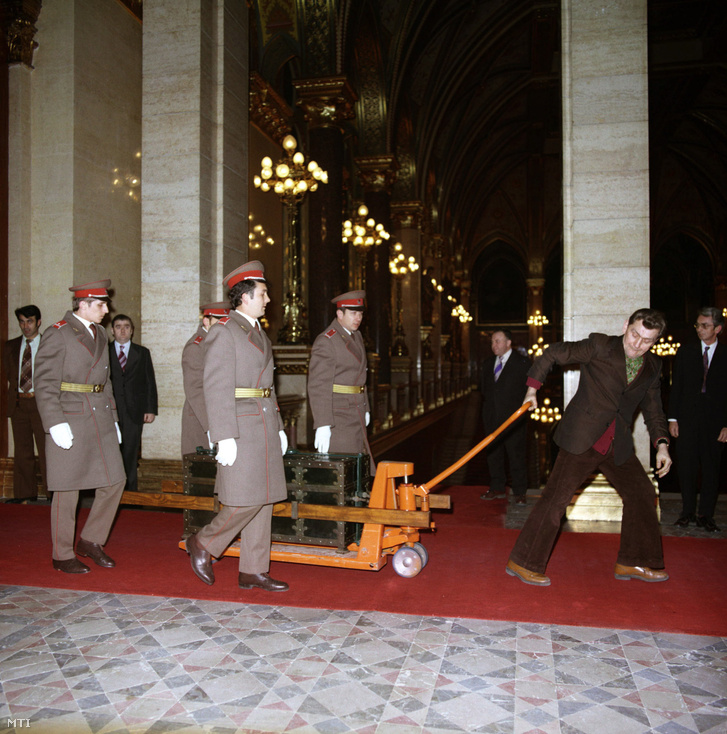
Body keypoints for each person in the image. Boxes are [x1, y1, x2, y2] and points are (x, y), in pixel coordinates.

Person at [506, 308, 673, 587]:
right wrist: (532, 388)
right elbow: (553, 353)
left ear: (655, 341)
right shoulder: (600, 346)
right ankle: (523, 562)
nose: (637, 344)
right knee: (556, 500)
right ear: (626, 326)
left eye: (647, 340)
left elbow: (654, 411)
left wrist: (663, 445)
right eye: (634, 334)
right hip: (581, 438)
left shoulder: (653, 367)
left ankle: (634, 560)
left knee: (642, 493)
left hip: (616, 443)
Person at [185, 261, 289, 592]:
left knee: (266, 497)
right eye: (263, 293)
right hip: (240, 425)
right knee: (244, 499)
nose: (268, 299)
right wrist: (223, 434)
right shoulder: (224, 331)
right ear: (244, 297)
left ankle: (253, 570)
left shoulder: (257, 332)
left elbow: (269, 386)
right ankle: (203, 543)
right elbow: (215, 386)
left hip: (264, 423)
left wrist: (280, 426)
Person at [34, 280, 126, 574]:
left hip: (99, 417)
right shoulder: (58, 333)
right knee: (67, 489)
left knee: (115, 480)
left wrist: (113, 416)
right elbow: (45, 383)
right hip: (69, 417)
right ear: (83, 304)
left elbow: (106, 380)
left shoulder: (99, 332)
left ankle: (90, 540)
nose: (107, 310)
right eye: (101, 304)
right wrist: (54, 422)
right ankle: (61, 554)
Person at [669, 307, 727, 532]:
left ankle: (706, 515)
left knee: (712, 469)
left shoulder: (725, 355)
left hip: (715, 423)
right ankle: (687, 512)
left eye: (705, 325)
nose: (700, 329)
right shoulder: (686, 351)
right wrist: (673, 418)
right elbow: (677, 387)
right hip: (687, 420)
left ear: (718, 329)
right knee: (686, 467)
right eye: (698, 325)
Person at [307, 290, 374, 473]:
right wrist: (322, 423)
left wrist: (365, 406)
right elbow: (318, 386)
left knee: (359, 469)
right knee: (342, 470)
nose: (358, 318)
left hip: (356, 411)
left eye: (360, 313)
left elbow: (361, 377)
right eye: (353, 313)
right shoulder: (327, 341)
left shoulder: (356, 336)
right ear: (339, 314)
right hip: (338, 416)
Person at [479, 329, 531, 503]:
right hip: (491, 417)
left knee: (516, 455)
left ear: (508, 343)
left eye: (498, 341)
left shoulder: (523, 363)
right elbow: (485, 391)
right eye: (492, 342)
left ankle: (519, 492)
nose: (494, 345)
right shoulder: (487, 364)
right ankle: (497, 488)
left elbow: (528, 390)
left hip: (513, 419)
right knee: (493, 455)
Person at [109, 314, 158, 493]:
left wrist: (150, 409)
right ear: (112, 330)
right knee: (112, 452)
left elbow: (149, 381)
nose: (122, 330)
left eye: (126, 326)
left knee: (130, 452)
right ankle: (112, 493)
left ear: (132, 330)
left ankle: (130, 493)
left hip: (134, 410)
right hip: (110, 411)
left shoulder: (142, 352)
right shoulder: (104, 352)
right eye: (118, 326)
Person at [3, 305, 48, 503]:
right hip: (19, 403)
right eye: (22, 321)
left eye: (29, 321)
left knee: (46, 450)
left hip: (42, 404)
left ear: (38, 322)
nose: (25, 326)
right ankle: (24, 494)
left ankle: (52, 494)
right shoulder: (10, 346)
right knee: (22, 451)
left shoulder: (48, 344)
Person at [181, 302, 229, 458]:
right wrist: (210, 427)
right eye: (219, 320)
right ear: (206, 321)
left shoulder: (223, 342)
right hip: (201, 418)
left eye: (226, 321)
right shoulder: (196, 347)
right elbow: (195, 389)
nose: (224, 325)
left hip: (221, 415)